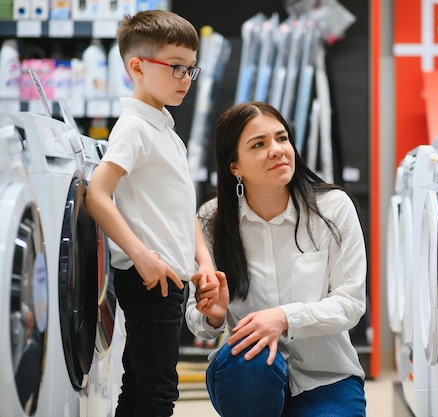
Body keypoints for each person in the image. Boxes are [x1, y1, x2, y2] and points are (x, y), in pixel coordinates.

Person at [185, 101, 368, 417]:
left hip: (327, 378)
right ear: (235, 167)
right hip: (249, 374)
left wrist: (284, 317)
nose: (277, 150)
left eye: (282, 138)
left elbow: (351, 304)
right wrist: (213, 316)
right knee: (250, 359)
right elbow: (198, 322)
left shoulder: (333, 210)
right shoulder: (211, 220)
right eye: (259, 144)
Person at [84, 10, 221, 417]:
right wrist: (142, 256)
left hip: (170, 278)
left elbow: (185, 214)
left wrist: (205, 263)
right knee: (153, 391)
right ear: (137, 66)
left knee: (152, 385)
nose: (185, 79)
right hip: (149, 279)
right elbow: (97, 195)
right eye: (176, 67)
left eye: (191, 70)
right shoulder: (133, 128)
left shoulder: (166, 131)